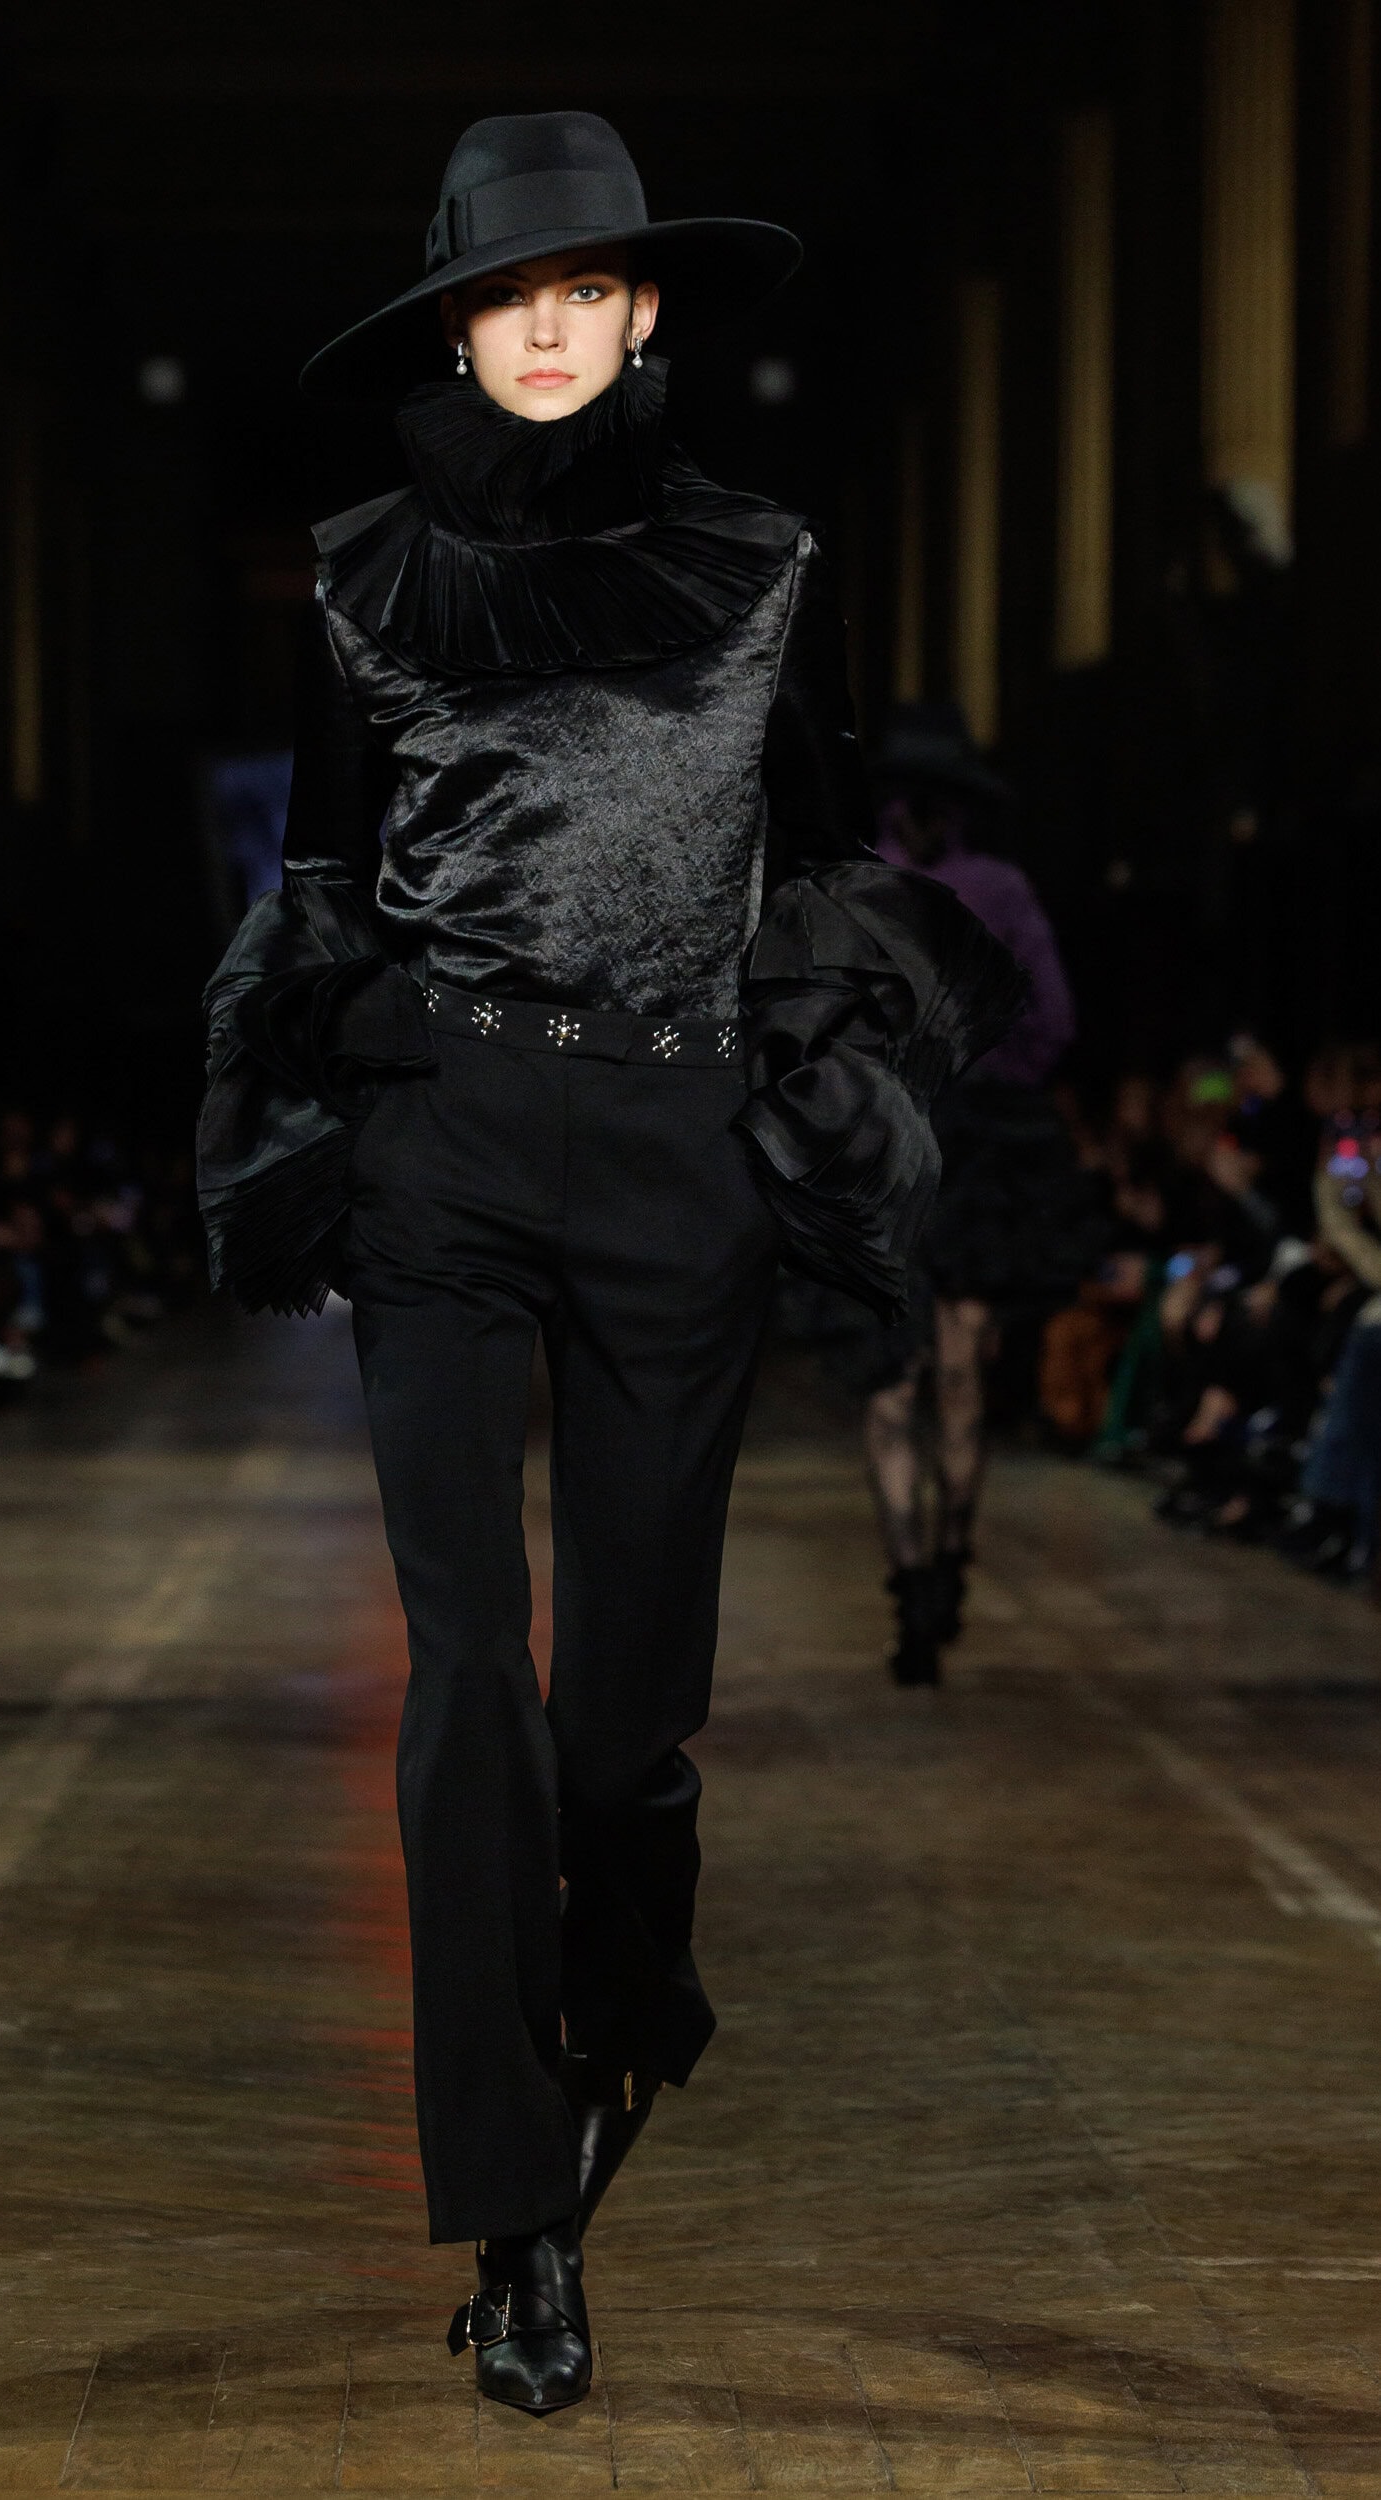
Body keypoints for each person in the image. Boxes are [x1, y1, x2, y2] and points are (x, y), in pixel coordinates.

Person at [196, 114, 1020, 2415]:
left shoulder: (766, 565)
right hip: (447, 1145)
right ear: (455, 322)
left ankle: (622, 1985)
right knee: (465, 1680)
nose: (547, 327)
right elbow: (329, 889)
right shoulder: (361, 578)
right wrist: (306, 1137)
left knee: (623, 1721)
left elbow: (820, 870)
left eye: (585, 288)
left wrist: (813, 1140)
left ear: (643, 309)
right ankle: (516, 2215)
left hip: (676, 1148)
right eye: (507, 294)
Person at [866, 704, 1083, 1682]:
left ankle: (926, 1576)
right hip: (945, 1143)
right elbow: (1050, 1023)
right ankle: (934, 1571)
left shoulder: (866, 881)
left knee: (915, 1382)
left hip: (905, 1143)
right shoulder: (987, 888)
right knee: (935, 1378)